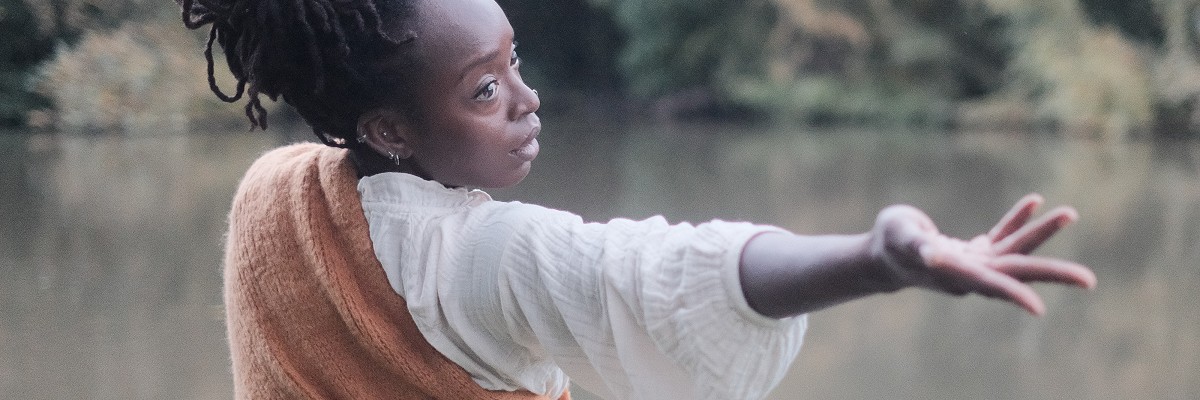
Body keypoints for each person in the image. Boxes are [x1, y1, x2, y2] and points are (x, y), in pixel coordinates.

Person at [181, 0, 1097, 399]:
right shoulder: (481, 260)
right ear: (387, 129)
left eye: (515, 62)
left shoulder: (274, 192)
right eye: (483, 90)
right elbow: (656, 274)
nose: (527, 100)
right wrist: (874, 258)